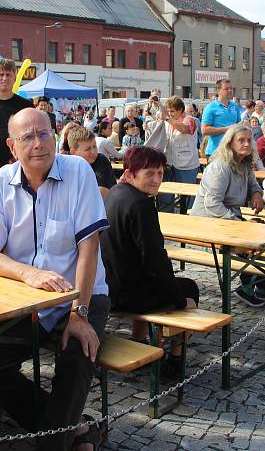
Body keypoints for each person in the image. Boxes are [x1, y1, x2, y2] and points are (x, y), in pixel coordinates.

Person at [0, 108, 110, 450]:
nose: (38, 143)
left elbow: (88, 247)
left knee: (78, 356)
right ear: (12, 146)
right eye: (28, 137)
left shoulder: (78, 170)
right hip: (26, 297)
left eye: (44, 133)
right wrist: (27, 273)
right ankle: (71, 430)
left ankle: (53, 443)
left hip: (82, 291)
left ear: (56, 135)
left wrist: (79, 313)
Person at [100, 146, 199, 377]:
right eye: (149, 174)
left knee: (151, 280)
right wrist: (178, 300)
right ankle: (174, 359)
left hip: (110, 289)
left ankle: (140, 341)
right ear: (131, 173)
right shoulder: (141, 205)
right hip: (130, 296)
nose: (156, 180)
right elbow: (155, 262)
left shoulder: (115, 193)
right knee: (189, 288)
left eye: (160, 174)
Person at [191, 124, 265, 307]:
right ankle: (248, 287)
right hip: (208, 219)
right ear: (230, 143)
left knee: (262, 240)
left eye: (249, 140)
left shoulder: (245, 164)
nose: (247, 144)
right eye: (241, 140)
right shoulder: (221, 166)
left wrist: (257, 194)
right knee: (252, 244)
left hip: (228, 217)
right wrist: (237, 222)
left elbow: (254, 185)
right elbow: (212, 204)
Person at [67, 125, 116, 199]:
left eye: (94, 146)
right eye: (87, 149)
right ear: (73, 152)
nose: (93, 152)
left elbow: (101, 195)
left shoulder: (100, 160)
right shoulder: (66, 164)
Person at [201, 79, 242, 157]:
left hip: (232, 151)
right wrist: (227, 129)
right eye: (226, 89)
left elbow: (238, 126)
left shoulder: (234, 106)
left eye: (231, 88)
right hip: (216, 152)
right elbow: (204, 130)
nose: (230, 90)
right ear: (218, 91)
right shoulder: (210, 107)